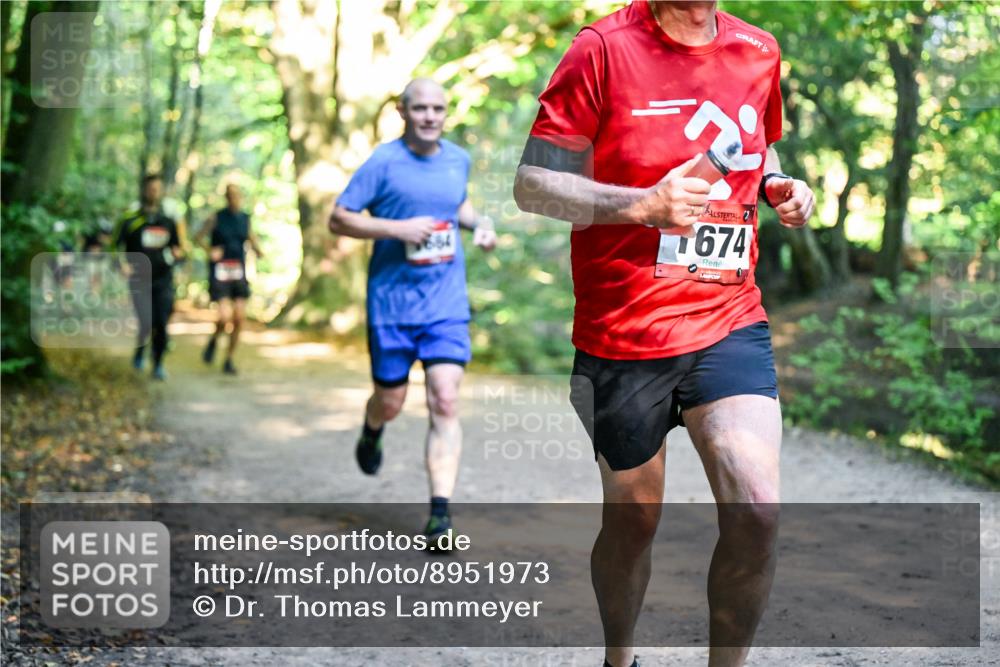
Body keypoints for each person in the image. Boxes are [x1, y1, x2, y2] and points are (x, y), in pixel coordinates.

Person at [513, 2, 816, 666]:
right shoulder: (601, 49)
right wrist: (640, 204)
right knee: (633, 522)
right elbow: (531, 184)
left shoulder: (757, 49)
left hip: (727, 317)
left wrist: (776, 184)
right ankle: (619, 656)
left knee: (757, 510)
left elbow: (754, 141)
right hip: (624, 335)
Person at [327, 78, 496, 546]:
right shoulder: (383, 162)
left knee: (445, 397)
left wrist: (480, 224)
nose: (429, 116)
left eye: (437, 108)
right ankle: (372, 426)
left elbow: (456, 204)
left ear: (446, 113)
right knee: (392, 402)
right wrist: (397, 229)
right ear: (402, 111)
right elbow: (339, 217)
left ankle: (440, 514)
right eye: (419, 108)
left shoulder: (458, 159)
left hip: (445, 305)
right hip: (393, 307)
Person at [115, 174, 184, 381]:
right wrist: (121, 266)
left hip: (163, 279)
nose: (153, 192)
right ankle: (140, 349)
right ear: (144, 190)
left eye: (157, 189)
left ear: (162, 192)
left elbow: (179, 248)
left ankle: (158, 363)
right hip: (138, 279)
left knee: (161, 322)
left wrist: (178, 258)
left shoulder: (169, 221)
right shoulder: (130, 219)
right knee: (145, 321)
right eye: (150, 188)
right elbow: (114, 247)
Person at [196, 183, 264, 375]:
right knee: (225, 316)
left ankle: (229, 359)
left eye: (236, 195)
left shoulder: (245, 218)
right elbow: (198, 237)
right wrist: (210, 251)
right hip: (220, 272)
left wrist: (259, 251)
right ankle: (214, 340)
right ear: (226, 198)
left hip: (238, 271)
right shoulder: (217, 217)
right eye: (230, 195)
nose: (233, 198)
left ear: (240, 196)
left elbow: (251, 238)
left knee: (239, 318)